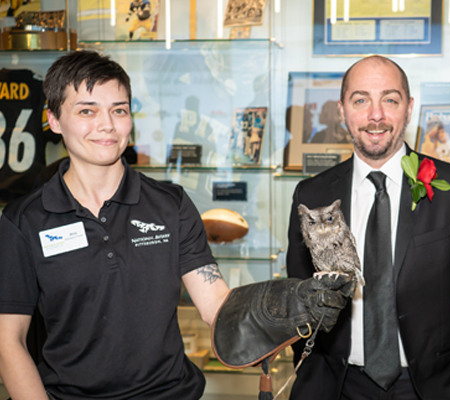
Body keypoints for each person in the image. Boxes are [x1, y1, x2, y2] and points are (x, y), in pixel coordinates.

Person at [0, 50, 355, 400]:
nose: (106, 125)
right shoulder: (24, 220)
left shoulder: (170, 205)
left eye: (119, 110)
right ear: (54, 120)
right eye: (87, 111)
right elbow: (8, 341)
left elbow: (215, 306)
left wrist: (289, 303)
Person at [286, 55, 450, 400]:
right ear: (341, 110)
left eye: (390, 99)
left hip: (431, 388)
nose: (376, 115)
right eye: (360, 100)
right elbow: (299, 297)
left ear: (409, 107)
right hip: (335, 387)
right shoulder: (311, 195)